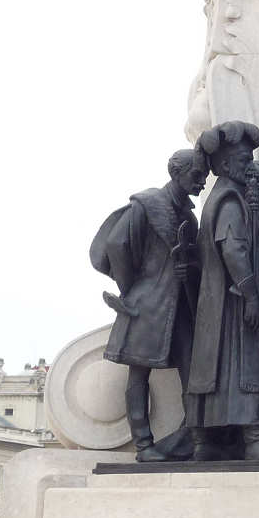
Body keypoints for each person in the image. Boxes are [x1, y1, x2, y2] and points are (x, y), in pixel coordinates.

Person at [90, 147, 208, 461]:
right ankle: (143, 445)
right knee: (139, 371)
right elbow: (117, 244)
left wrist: (189, 268)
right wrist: (132, 288)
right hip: (147, 304)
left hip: (180, 306)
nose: (202, 182)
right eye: (197, 175)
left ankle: (195, 438)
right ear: (178, 173)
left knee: (192, 371)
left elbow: (196, 259)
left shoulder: (188, 217)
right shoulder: (148, 204)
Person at [186, 121, 259, 460]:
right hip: (232, 303)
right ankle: (253, 439)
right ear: (224, 165)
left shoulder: (227, 198)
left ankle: (203, 442)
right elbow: (233, 250)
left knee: (216, 369)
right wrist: (251, 295)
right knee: (242, 366)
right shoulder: (229, 202)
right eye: (243, 160)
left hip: (218, 299)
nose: (250, 165)